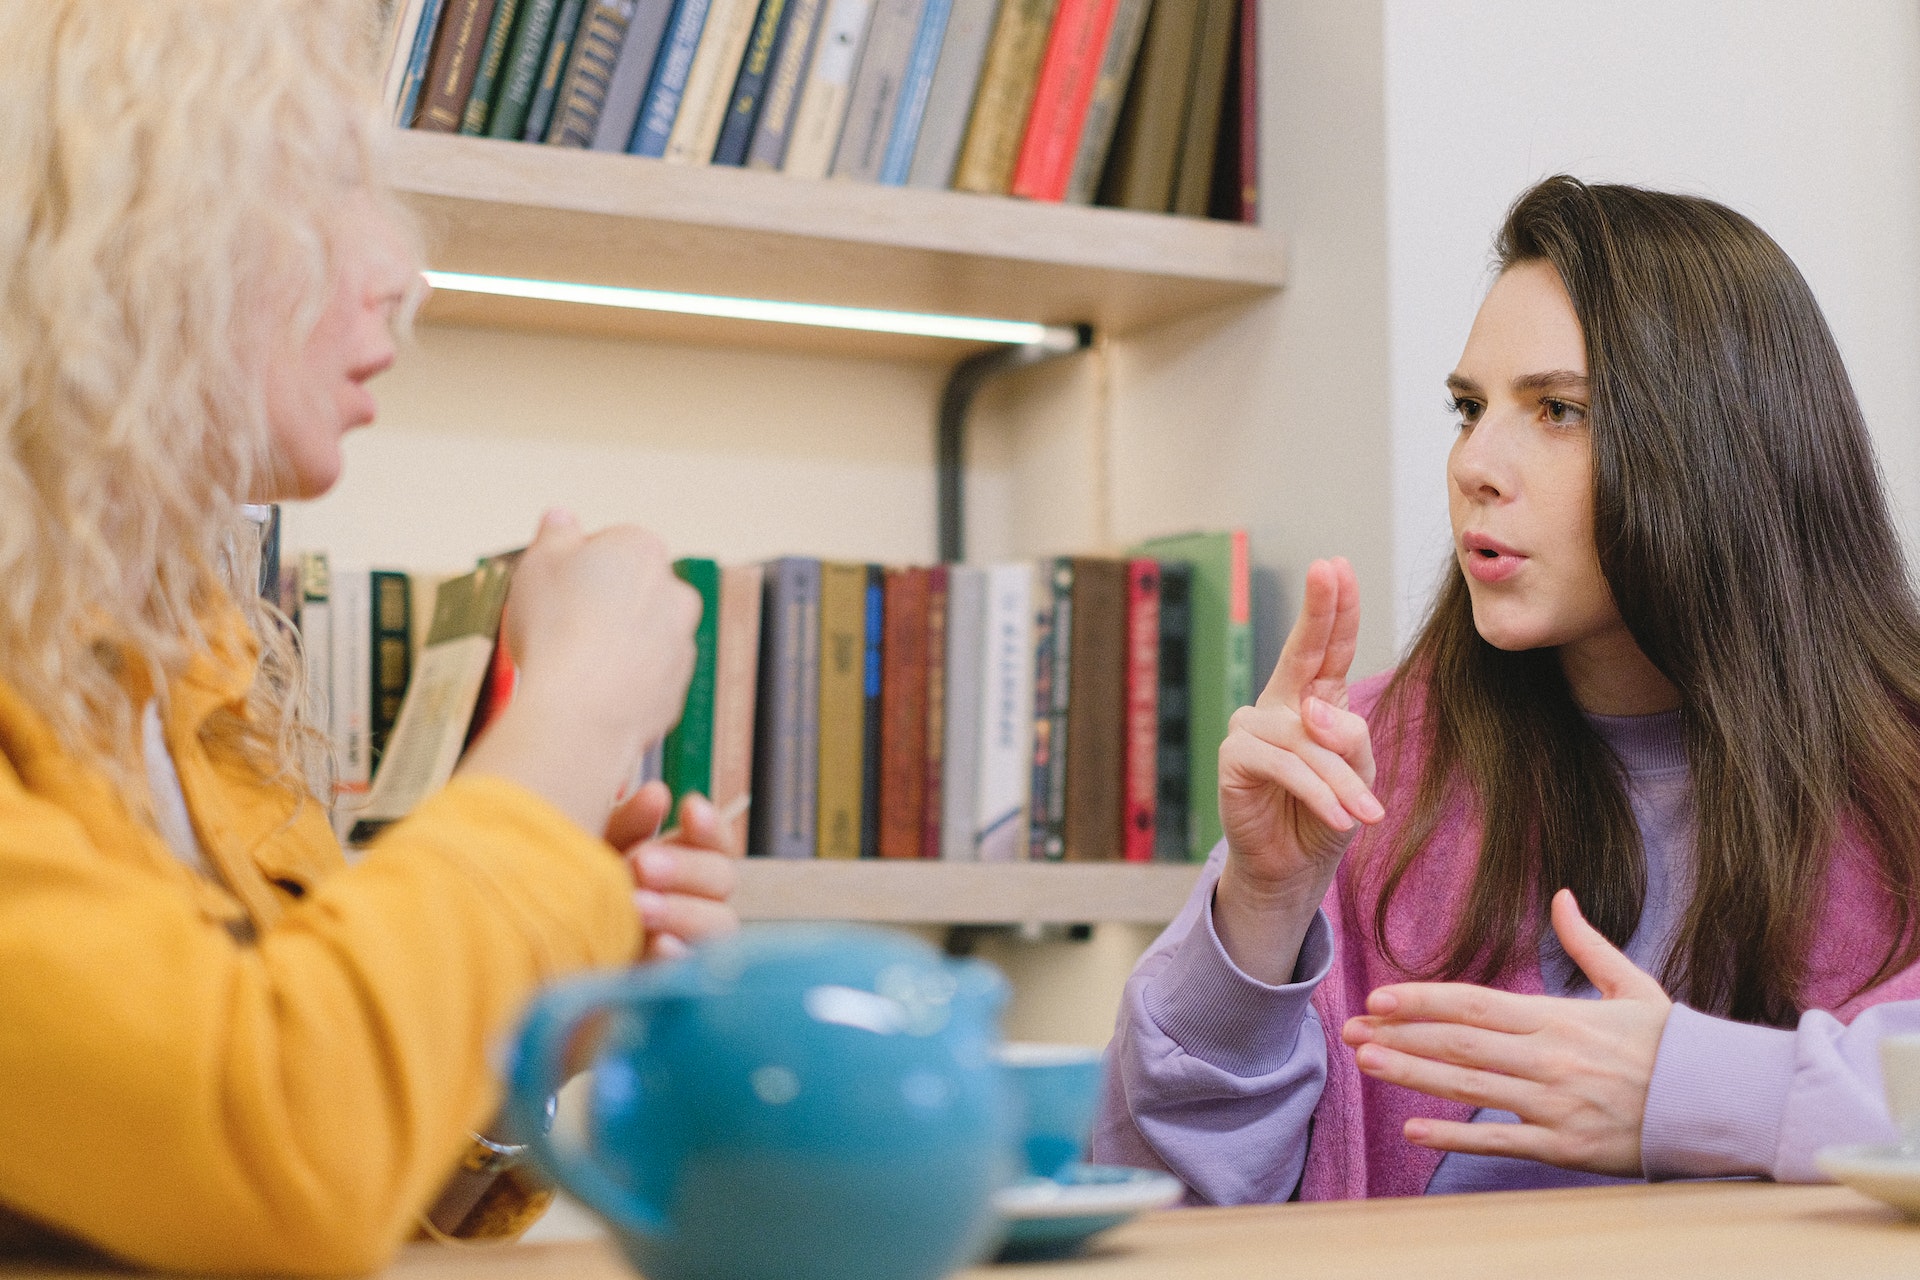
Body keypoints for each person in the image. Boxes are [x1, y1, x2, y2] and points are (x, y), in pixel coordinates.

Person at [0, 1, 740, 1271]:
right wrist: (572, 712)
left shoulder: (189, 678)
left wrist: (532, 1023)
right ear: (122, 231)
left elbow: (347, 1180)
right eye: (327, 184)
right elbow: (272, 1152)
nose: (405, 273)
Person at [1094, 175, 1920, 1203]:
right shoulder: (1362, 759)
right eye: (1469, 407)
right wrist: (1259, 907)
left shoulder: (1900, 770)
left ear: (1722, 445)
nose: (1476, 461)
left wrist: (1690, 1089)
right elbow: (1153, 1197)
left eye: (1559, 409)